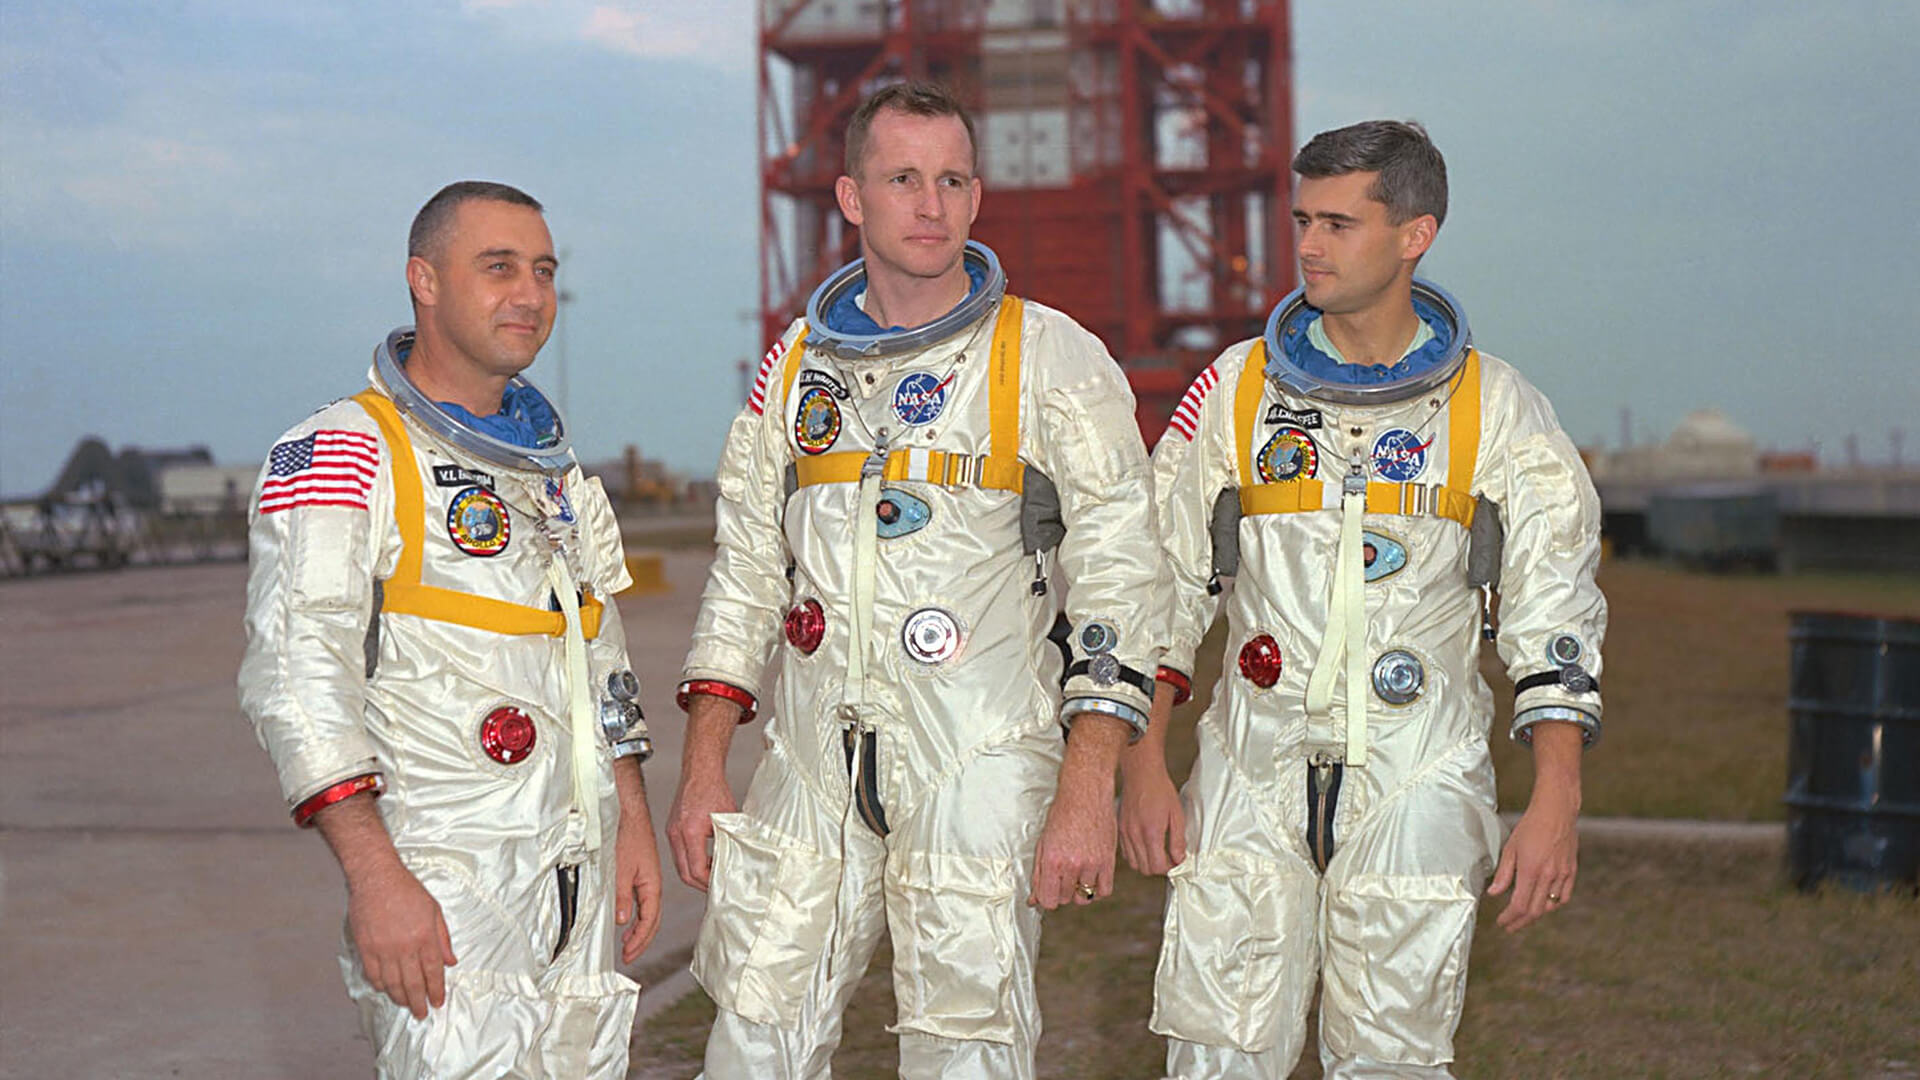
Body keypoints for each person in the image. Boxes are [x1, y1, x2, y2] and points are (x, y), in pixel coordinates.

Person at [666, 82, 1166, 1079]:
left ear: (977, 197)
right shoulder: (798, 365)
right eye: (903, 179)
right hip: (813, 757)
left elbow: (1121, 575)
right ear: (853, 198)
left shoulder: (1048, 354)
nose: (930, 204)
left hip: (975, 750)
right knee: (755, 1031)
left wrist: (1086, 784)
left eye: (950, 180)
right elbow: (750, 569)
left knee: (965, 1040)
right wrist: (703, 764)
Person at [1122, 120, 1605, 1078]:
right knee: (1215, 1046)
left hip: (1418, 771)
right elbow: (1161, 584)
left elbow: (1555, 618)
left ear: (1416, 234)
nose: (1307, 245)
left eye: (1340, 223)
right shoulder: (1235, 391)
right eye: (1303, 218)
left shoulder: (1495, 410)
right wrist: (1143, 759)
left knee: (1393, 1055)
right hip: (1250, 771)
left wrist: (1557, 799)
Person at [238, 181, 663, 1078]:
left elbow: (599, 649)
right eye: (498, 267)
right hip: (444, 884)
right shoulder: (342, 451)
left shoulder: (550, 471)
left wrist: (630, 816)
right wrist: (375, 879)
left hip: (574, 877)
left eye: (543, 270)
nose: (530, 294)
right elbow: (295, 679)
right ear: (423, 281)